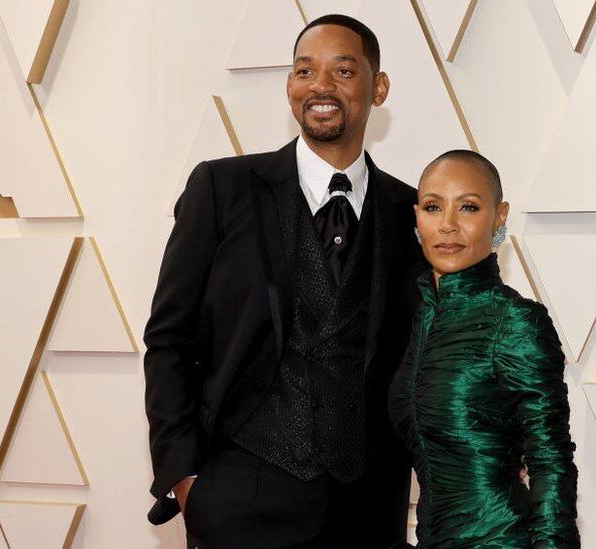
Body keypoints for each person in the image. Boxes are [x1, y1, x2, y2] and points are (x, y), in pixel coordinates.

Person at [143, 14, 424, 548]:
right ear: (290, 87)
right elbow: (168, 338)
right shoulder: (222, 189)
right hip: (239, 504)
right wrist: (186, 480)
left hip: (368, 512)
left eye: (343, 70)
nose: (321, 86)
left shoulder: (409, 211)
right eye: (304, 71)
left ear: (378, 87)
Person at [388, 150, 580, 547]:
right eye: (433, 207)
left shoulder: (516, 321)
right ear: (417, 216)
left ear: (500, 215)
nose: (447, 225)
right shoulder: (417, 319)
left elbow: (552, 463)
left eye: (469, 207)